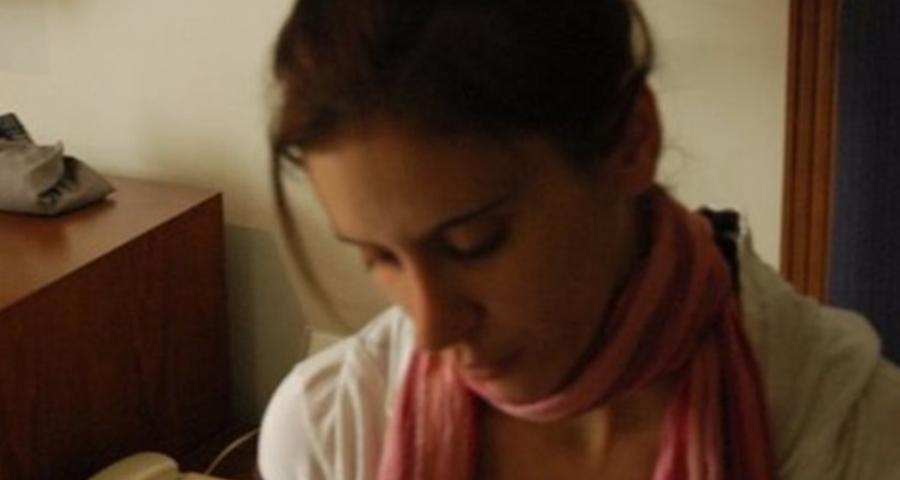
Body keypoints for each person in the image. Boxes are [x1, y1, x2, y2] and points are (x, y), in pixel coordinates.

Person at [257, 1, 900, 479]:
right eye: (380, 259)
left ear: (631, 142)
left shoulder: (851, 436)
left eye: (475, 241)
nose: (432, 329)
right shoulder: (328, 435)